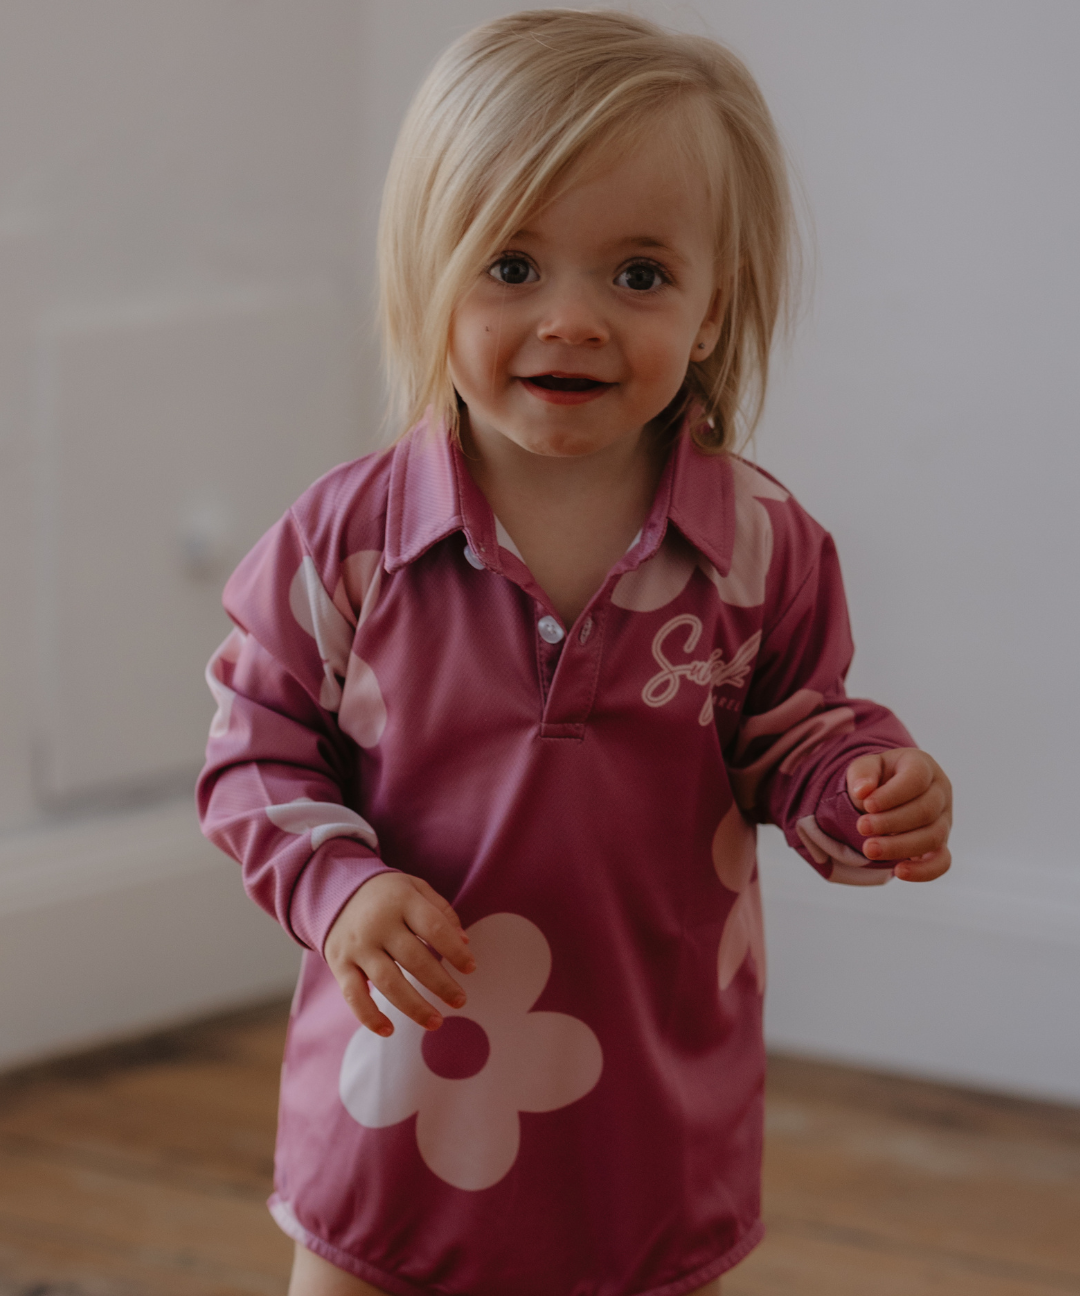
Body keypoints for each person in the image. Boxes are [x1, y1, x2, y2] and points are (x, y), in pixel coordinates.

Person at [197, 11, 952, 1296]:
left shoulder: (762, 550)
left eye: (640, 275)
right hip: (394, 1101)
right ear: (430, 275)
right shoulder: (348, 546)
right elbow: (254, 761)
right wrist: (345, 895)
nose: (572, 320)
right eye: (510, 265)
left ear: (715, 310)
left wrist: (864, 793)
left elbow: (799, 730)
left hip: (653, 1101)